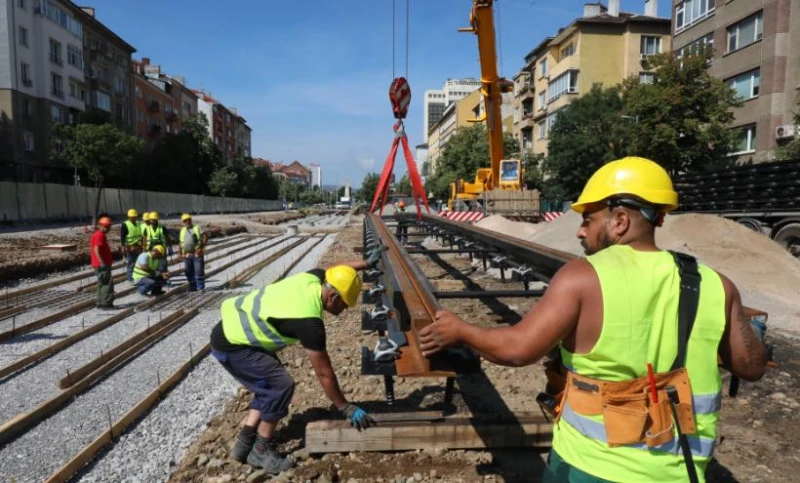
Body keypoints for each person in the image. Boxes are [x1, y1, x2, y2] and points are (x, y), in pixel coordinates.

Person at [418, 156, 768, 483]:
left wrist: (460, 330)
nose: (580, 232)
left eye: (588, 220)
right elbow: (751, 366)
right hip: (684, 471)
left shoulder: (583, 278)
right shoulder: (716, 284)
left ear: (620, 221)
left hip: (591, 468)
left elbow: (517, 350)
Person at [209, 248, 384, 474]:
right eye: (344, 304)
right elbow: (324, 373)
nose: (344, 310)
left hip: (235, 330)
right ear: (332, 296)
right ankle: (261, 448)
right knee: (280, 386)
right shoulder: (309, 322)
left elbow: (336, 269)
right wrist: (345, 406)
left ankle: (243, 444)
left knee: (266, 383)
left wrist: (365, 264)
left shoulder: (315, 277)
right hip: (233, 345)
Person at [90, 215, 115, 308]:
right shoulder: (100, 235)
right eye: (108, 227)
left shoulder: (99, 235)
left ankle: (100, 303)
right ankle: (106, 304)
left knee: (102, 283)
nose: (109, 229)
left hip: (100, 264)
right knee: (106, 283)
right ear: (102, 226)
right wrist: (102, 262)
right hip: (101, 265)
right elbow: (96, 248)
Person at [179, 213, 208, 292]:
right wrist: (180, 254)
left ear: (191, 220)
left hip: (197, 253)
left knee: (199, 271)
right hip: (187, 254)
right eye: (185, 221)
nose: (187, 222)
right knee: (188, 271)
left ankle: (200, 287)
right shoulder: (182, 230)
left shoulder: (197, 227)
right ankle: (193, 287)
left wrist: (201, 248)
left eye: (188, 220)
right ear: (183, 222)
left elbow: (205, 236)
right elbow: (180, 243)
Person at [121, 209, 143, 282]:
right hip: (131, 247)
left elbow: (141, 236)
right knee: (131, 263)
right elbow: (122, 237)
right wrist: (123, 246)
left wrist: (142, 246)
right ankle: (131, 279)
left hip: (139, 246)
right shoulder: (125, 225)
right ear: (129, 216)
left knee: (138, 263)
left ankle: (137, 277)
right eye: (132, 217)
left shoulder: (138, 224)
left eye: (134, 216)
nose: (133, 218)